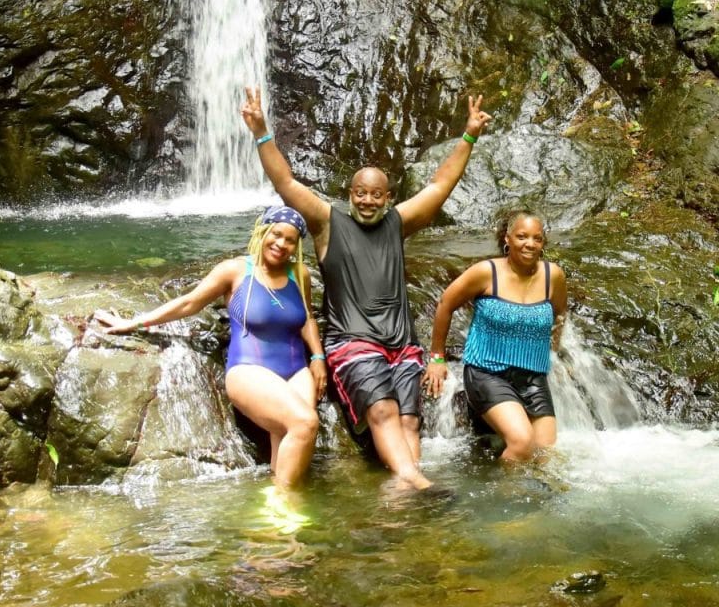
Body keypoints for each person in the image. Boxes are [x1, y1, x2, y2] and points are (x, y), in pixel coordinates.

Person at [241, 85, 492, 491]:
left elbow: (438, 187)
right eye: (361, 193)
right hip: (353, 343)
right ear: (350, 195)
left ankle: (400, 495)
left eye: (377, 195)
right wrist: (261, 132)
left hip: (402, 344)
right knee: (382, 409)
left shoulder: (398, 223)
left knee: (409, 418)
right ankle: (414, 478)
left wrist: (469, 136)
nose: (368, 201)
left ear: (388, 198)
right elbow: (286, 182)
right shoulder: (327, 224)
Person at [92, 206, 328, 494]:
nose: (281, 244)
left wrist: (317, 357)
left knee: (287, 433)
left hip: (296, 370)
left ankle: (279, 531)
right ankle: (285, 505)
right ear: (262, 232)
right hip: (250, 370)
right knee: (304, 423)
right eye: (275, 234)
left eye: (290, 240)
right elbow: (190, 303)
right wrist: (134, 322)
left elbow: (306, 318)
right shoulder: (236, 270)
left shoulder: (298, 273)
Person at [423, 210, 567, 462]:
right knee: (522, 445)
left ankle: (532, 500)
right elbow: (446, 303)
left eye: (537, 238)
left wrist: (554, 348)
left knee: (547, 455)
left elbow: (560, 313)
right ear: (507, 239)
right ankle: (507, 498)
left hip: (533, 377)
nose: (529, 244)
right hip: (487, 373)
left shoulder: (552, 275)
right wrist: (437, 358)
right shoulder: (486, 272)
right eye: (522, 236)